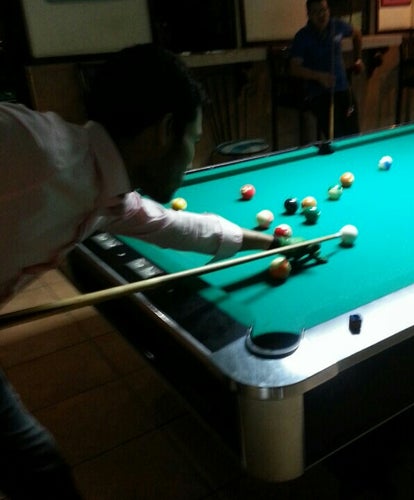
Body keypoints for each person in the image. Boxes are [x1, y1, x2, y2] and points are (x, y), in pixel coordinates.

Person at [0, 43, 304, 499]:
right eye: (193, 139)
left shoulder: (106, 189)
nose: (192, 156)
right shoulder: (34, 145)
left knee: (38, 467)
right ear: (165, 130)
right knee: (39, 468)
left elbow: (174, 226)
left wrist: (272, 243)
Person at [289, 0, 363, 140]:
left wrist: (358, 59)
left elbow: (357, 34)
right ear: (309, 15)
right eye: (316, 12)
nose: (321, 15)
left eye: (324, 10)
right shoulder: (302, 36)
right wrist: (319, 76)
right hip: (320, 94)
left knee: (354, 134)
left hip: (343, 89)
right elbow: (295, 68)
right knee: (337, 135)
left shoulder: (337, 26)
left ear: (329, 10)